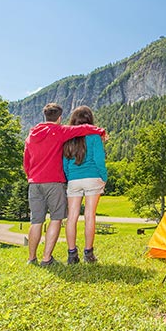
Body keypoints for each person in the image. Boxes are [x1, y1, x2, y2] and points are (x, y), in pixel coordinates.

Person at [23, 103, 106, 266]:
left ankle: (36, 258)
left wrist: (31, 176)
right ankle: (55, 257)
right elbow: (85, 134)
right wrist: (100, 131)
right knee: (63, 218)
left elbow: (27, 162)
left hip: (38, 182)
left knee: (40, 221)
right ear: (59, 118)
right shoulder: (61, 131)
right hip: (62, 181)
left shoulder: (31, 135)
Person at [62, 105, 108, 264]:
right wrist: (104, 177)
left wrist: (70, 178)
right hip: (93, 178)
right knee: (90, 216)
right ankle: (88, 254)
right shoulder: (95, 137)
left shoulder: (68, 138)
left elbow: (65, 164)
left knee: (72, 217)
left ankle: (71, 254)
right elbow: (99, 160)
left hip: (74, 180)